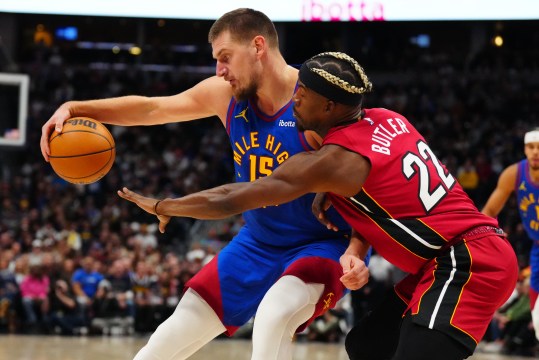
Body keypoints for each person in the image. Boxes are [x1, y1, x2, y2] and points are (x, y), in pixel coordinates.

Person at [117, 51, 519, 360]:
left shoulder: (335, 162)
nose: (294, 104)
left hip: (468, 260)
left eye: (303, 97)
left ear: (329, 107)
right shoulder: (389, 118)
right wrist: (354, 234)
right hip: (441, 259)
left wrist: (169, 205)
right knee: (366, 345)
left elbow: (234, 196)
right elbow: (392, 199)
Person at [40, 9, 369, 360]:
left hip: (323, 243)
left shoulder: (316, 100)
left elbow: (367, 184)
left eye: (225, 57)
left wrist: (358, 249)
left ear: (258, 46)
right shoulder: (226, 95)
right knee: (165, 341)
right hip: (258, 242)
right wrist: (75, 108)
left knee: (274, 315)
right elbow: (153, 109)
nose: (219, 70)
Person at [481, 128, 539, 341]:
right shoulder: (513, 174)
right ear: (525, 149)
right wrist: (490, 236)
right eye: (531, 147)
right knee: (537, 316)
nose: (535, 152)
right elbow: (488, 212)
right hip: (536, 247)